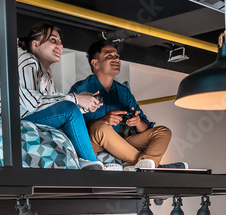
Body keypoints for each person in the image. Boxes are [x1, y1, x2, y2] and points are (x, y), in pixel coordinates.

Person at [0, 22, 118, 171]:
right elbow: (34, 103)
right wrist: (76, 99)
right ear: (36, 45)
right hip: (3, 124)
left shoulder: (46, 75)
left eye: (60, 42)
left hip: (21, 121)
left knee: (70, 109)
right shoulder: (27, 60)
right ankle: (92, 162)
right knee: (69, 108)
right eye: (53, 40)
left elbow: (53, 107)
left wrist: (85, 104)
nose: (60, 46)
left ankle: (86, 161)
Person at [68, 40, 180, 171]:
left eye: (117, 56)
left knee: (163, 132)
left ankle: (145, 164)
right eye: (109, 56)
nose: (116, 59)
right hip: (89, 142)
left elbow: (145, 128)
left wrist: (137, 122)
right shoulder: (81, 89)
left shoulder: (123, 92)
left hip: (116, 142)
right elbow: (71, 127)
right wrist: (104, 119)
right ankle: (149, 165)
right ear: (95, 63)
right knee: (101, 127)